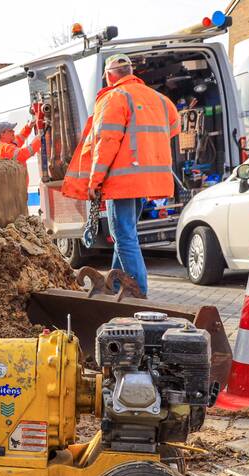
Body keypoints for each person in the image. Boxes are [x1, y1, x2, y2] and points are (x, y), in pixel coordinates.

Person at [61, 53, 180, 296]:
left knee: (123, 236)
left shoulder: (115, 97)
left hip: (123, 180)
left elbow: (106, 142)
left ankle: (140, 293)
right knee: (124, 234)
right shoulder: (160, 99)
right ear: (131, 72)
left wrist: (95, 181)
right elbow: (173, 127)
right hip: (146, 179)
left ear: (109, 75)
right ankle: (112, 286)